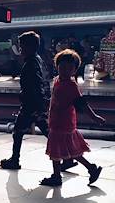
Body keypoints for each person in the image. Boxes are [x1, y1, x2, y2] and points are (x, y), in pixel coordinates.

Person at [0, 31, 75, 171]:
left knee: (18, 132)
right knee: (49, 133)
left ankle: (15, 160)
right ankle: (68, 158)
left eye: (22, 46)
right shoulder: (38, 60)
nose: (20, 49)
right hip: (39, 103)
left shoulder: (30, 63)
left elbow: (35, 85)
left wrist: (32, 102)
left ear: (29, 47)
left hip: (31, 104)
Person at [40, 49, 105, 187]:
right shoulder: (57, 81)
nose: (65, 71)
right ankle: (91, 168)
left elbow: (82, 104)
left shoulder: (71, 86)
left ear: (74, 70)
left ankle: (57, 176)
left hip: (63, 124)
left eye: (69, 68)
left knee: (57, 150)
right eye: (62, 67)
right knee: (72, 151)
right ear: (57, 66)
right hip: (57, 122)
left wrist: (94, 117)